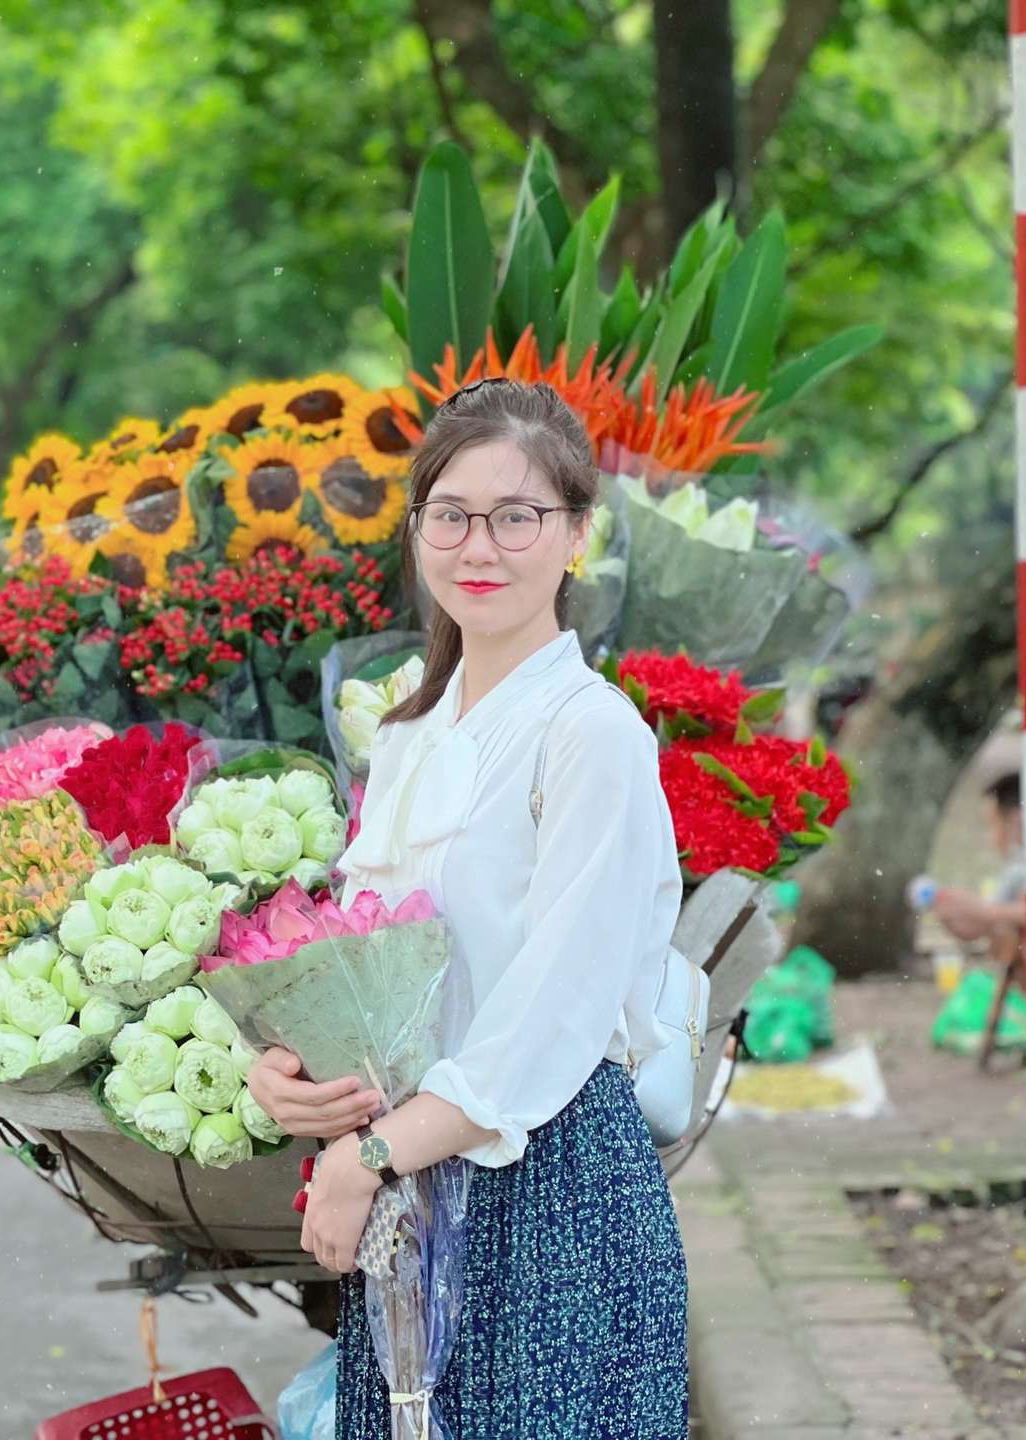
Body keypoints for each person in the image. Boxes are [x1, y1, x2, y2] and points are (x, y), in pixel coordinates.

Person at [246, 380, 688, 1436]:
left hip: (550, 1191)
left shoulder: (592, 734)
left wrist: (371, 1156)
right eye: (450, 515)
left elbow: (554, 1010)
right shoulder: (407, 736)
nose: (478, 545)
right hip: (411, 1185)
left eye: (517, 515)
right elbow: (369, 967)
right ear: (416, 531)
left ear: (577, 533)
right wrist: (287, 1072)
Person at [924, 771, 1026, 943]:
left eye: (991, 825)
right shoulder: (1014, 872)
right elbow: (987, 925)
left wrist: (983, 912)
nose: (989, 837)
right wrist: (955, 912)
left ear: (1017, 819)